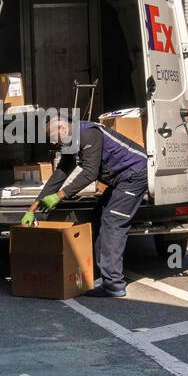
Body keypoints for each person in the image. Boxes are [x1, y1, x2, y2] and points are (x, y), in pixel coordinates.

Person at [23, 114, 148, 299]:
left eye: (54, 140)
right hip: (121, 179)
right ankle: (101, 276)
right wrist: (32, 208)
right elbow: (60, 174)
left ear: (63, 129)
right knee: (98, 219)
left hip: (134, 175)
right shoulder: (71, 142)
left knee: (113, 222)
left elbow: (90, 173)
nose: (55, 145)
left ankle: (114, 285)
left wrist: (59, 196)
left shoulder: (88, 135)